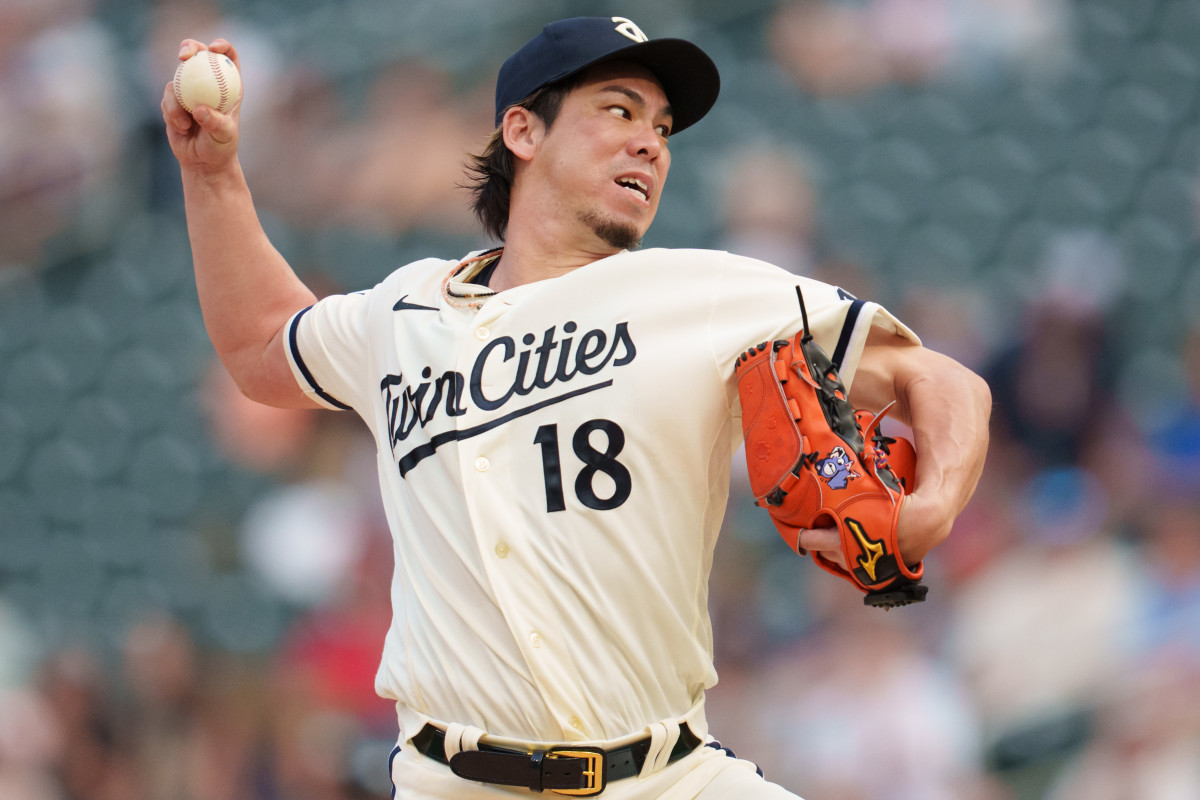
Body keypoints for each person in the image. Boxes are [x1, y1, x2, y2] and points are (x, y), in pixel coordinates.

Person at [161, 16, 991, 799]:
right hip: (455, 783)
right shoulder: (400, 313)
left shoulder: (703, 292)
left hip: (668, 777)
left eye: (662, 128)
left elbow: (940, 381)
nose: (649, 143)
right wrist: (212, 174)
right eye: (618, 110)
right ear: (523, 133)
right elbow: (263, 349)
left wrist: (931, 506)